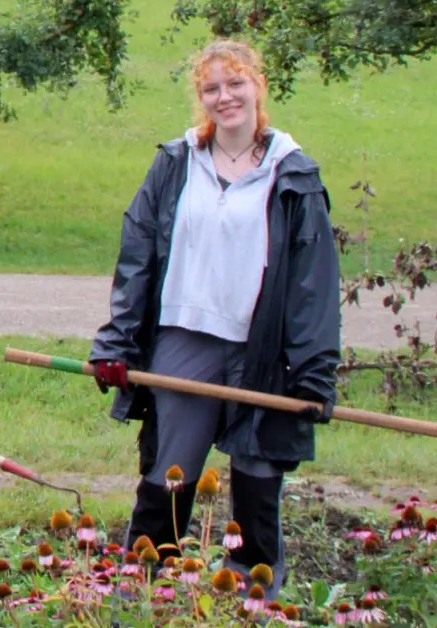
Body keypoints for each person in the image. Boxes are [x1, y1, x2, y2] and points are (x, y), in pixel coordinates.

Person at [90, 38, 339, 593]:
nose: (225, 97)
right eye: (211, 88)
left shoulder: (293, 176)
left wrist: (315, 371)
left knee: (257, 476)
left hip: (262, 350)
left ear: (257, 86)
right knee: (169, 474)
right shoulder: (176, 164)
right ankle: (142, 589)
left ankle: (249, 599)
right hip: (185, 340)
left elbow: (312, 284)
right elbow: (137, 256)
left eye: (235, 83)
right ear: (200, 98)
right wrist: (118, 343)